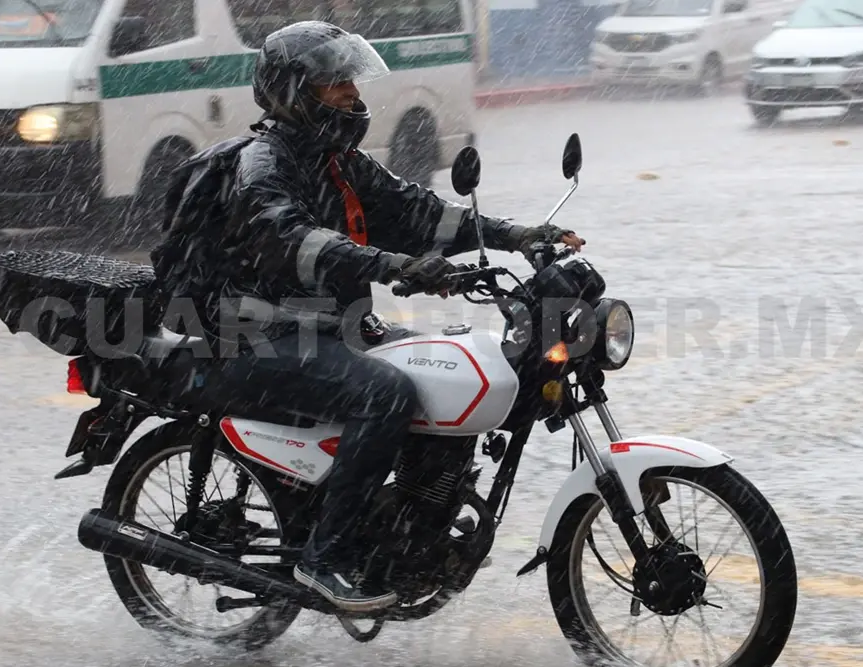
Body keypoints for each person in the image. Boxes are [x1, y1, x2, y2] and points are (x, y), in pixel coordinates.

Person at [166, 21, 585, 612]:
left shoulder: (339, 161)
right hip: (249, 334)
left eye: (350, 82)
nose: (351, 95)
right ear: (293, 91)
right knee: (384, 392)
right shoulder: (264, 164)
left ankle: (411, 529)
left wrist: (516, 235)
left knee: (443, 371)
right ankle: (325, 559)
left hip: (325, 326)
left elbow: (422, 214)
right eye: (335, 84)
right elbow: (292, 240)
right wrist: (397, 267)